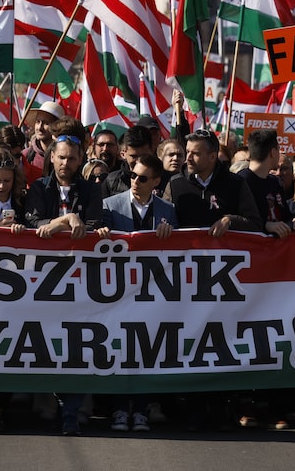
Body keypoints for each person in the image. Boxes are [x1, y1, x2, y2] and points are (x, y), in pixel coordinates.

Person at [23, 133, 103, 435]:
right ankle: (53, 402)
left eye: (72, 157)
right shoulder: (38, 188)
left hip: (81, 281)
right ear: (51, 158)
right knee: (46, 344)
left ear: (80, 159)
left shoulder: (91, 190)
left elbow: (93, 224)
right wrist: (65, 220)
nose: (66, 162)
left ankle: (71, 411)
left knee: (78, 346)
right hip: (42, 281)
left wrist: (63, 223)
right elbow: (32, 223)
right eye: (61, 157)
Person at [99, 153, 175, 432]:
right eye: (132, 175)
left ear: (156, 181)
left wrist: (172, 234)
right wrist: (102, 232)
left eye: (143, 178)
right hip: (117, 292)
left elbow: (180, 254)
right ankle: (119, 409)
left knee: (145, 351)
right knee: (120, 350)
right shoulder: (110, 206)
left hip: (151, 294)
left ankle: (141, 409)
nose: (135, 181)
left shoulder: (167, 210)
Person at [163, 129, 262, 236]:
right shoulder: (175, 184)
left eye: (196, 153)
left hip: (224, 251)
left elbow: (255, 224)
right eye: (187, 152)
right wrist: (165, 226)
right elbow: (162, 219)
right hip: (185, 251)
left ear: (212, 157)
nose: (188, 158)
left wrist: (230, 221)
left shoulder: (236, 184)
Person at [238, 129, 295, 238]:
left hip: (277, 251)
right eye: (278, 151)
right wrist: (265, 225)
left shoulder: (275, 182)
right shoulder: (240, 181)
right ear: (273, 152)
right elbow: (235, 219)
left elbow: (285, 215)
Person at [104, 125, 156, 196]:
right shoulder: (111, 181)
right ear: (123, 154)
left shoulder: (165, 180)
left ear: (151, 151)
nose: (138, 161)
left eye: (143, 156)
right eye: (134, 156)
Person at [22, 100, 63, 179]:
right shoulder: (25, 156)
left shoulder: (65, 157)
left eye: (46, 123)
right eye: (38, 122)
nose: (40, 127)